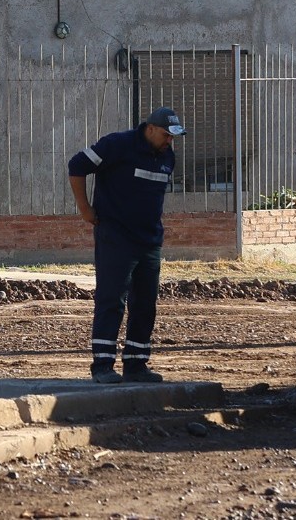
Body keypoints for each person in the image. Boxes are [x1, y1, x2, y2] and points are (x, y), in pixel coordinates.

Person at [67, 106, 185, 384]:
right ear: (151, 128)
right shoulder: (117, 145)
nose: (170, 141)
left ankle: (136, 363)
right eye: (167, 135)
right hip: (116, 238)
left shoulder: (167, 155)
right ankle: (103, 366)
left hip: (149, 241)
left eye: (173, 137)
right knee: (112, 300)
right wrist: (85, 209)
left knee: (145, 302)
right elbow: (77, 165)